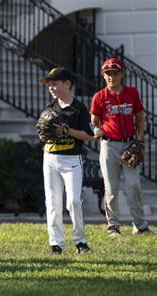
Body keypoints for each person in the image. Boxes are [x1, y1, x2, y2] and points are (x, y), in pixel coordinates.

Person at [90, 57, 152, 236]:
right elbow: (93, 120)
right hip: (109, 145)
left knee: (134, 185)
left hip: (129, 144)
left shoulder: (132, 93)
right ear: (103, 76)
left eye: (115, 73)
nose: (112, 77)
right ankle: (113, 226)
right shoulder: (99, 97)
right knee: (111, 187)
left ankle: (139, 225)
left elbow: (140, 118)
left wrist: (139, 142)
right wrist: (95, 129)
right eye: (108, 73)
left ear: (122, 74)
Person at [39, 67, 96, 255]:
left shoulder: (79, 108)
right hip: (50, 159)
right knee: (53, 203)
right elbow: (42, 134)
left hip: (71, 160)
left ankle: (80, 241)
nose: (51, 88)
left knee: (73, 201)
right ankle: (56, 244)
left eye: (54, 84)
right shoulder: (49, 109)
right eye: (49, 85)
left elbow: (90, 135)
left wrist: (68, 131)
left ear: (67, 84)